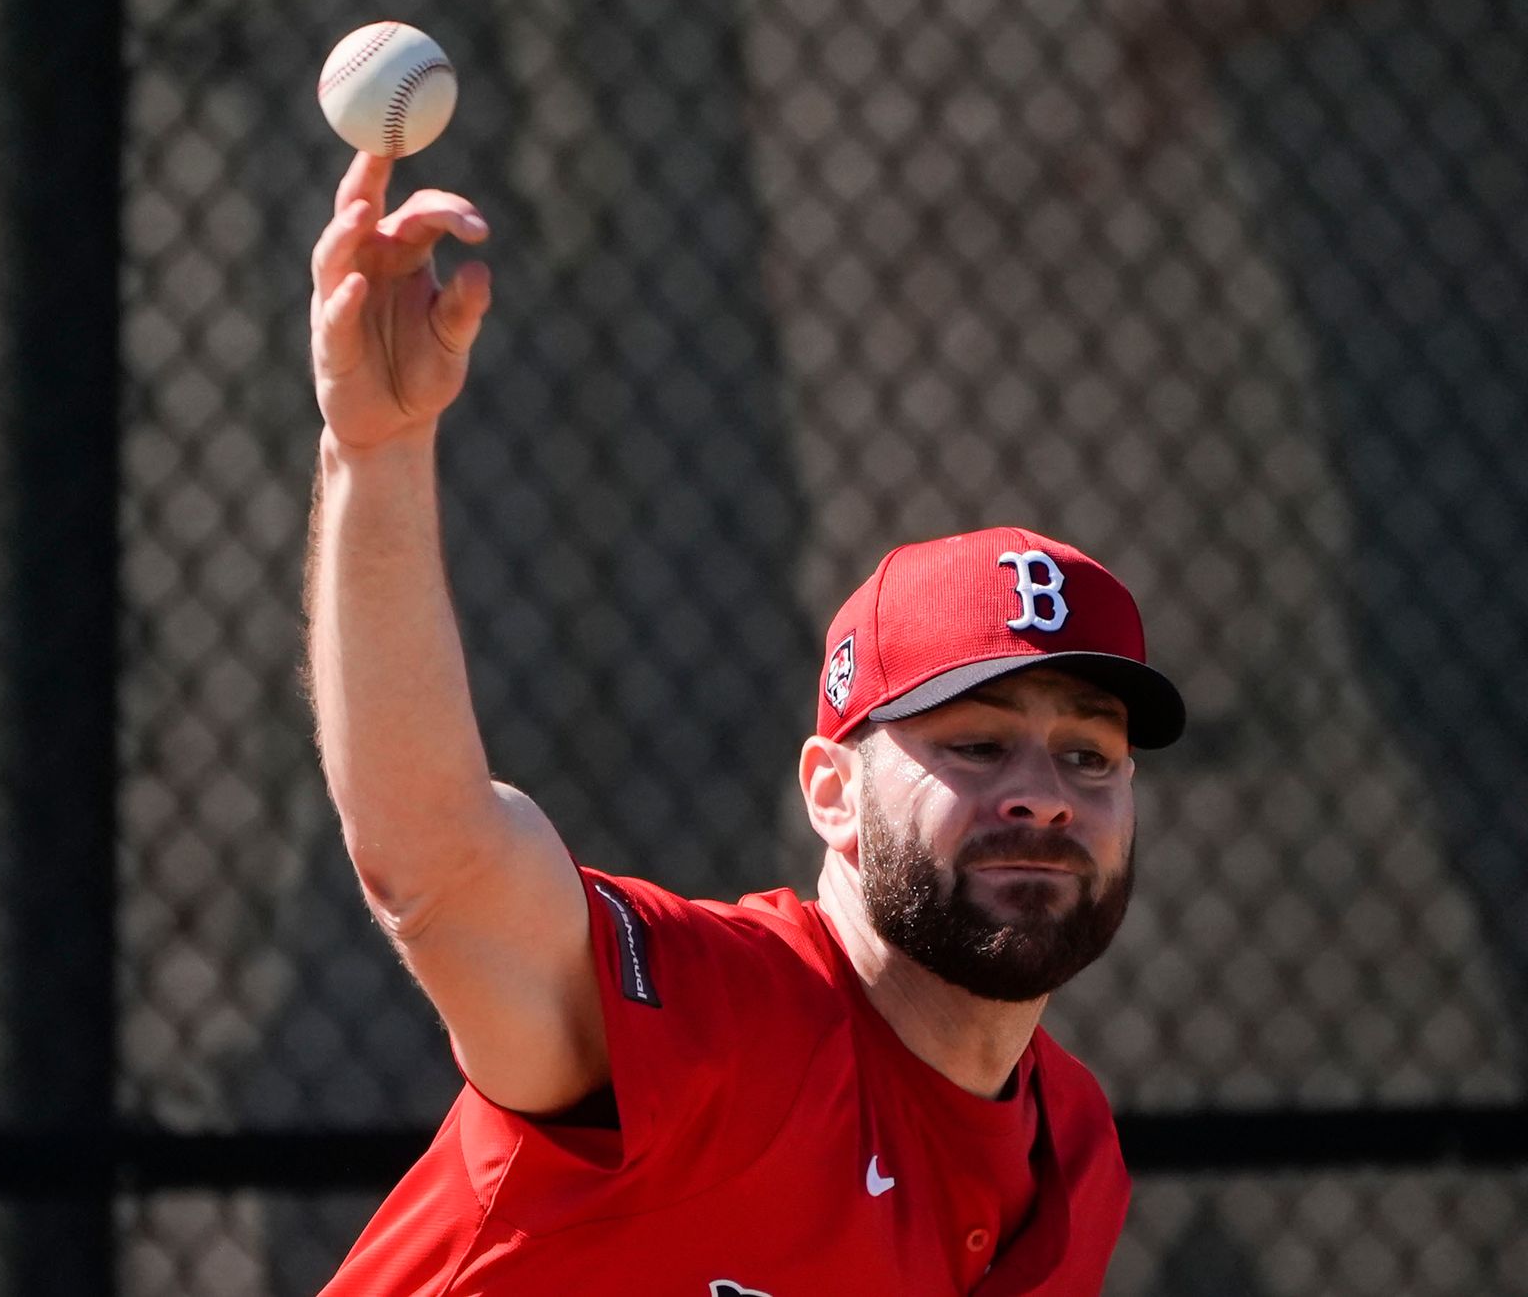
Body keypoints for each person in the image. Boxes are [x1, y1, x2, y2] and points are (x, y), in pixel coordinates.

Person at [305, 150, 1186, 1294]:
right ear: (831, 791)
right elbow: (435, 859)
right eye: (975, 742)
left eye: (1089, 753)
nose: (1043, 791)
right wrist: (375, 454)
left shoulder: (1068, 1153)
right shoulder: (719, 1023)